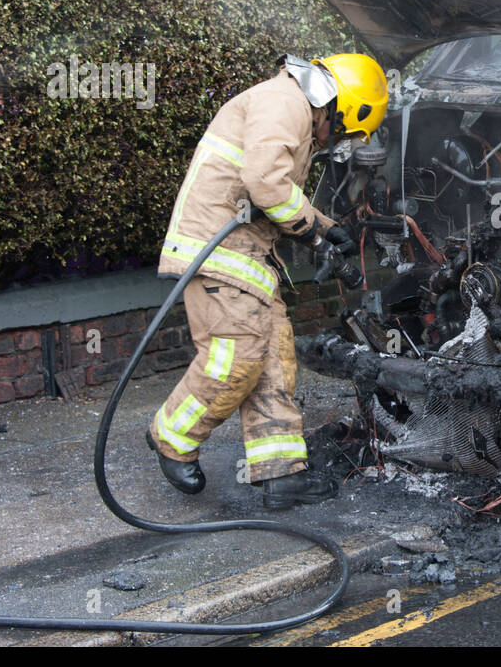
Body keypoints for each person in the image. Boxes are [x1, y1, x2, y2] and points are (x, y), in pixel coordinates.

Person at [147, 53, 387, 509]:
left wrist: (326, 226)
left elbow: (275, 192)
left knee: (274, 357)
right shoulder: (285, 102)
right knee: (236, 358)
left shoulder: (291, 108)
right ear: (341, 107)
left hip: (247, 257)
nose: (336, 141)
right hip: (218, 253)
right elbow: (264, 183)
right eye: (344, 131)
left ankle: (281, 472)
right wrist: (314, 234)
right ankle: (172, 435)